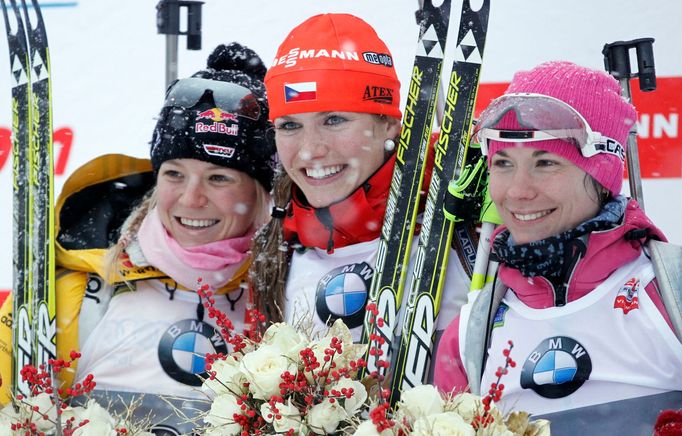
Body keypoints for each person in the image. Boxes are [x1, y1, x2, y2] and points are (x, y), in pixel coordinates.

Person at [0, 42, 276, 427]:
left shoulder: (286, 294)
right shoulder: (71, 288)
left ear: (260, 192)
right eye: (174, 174)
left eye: (218, 178)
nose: (191, 198)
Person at [434, 61, 682, 433]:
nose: (517, 191)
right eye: (502, 163)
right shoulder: (472, 330)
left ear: (602, 175)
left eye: (545, 162)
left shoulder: (669, 294)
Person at [250, 13, 472, 350]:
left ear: (388, 124)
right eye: (290, 125)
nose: (310, 152)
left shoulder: (463, 228)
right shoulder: (273, 250)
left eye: (334, 120)